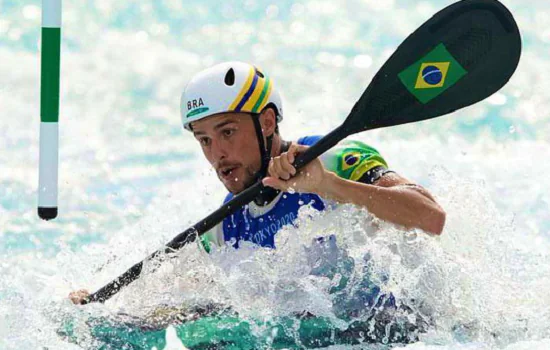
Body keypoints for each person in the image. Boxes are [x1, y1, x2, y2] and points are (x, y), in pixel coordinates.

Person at [69, 61, 445, 305]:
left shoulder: (331, 159)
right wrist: (103, 317)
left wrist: (330, 186)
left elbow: (431, 217)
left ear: (266, 123)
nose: (216, 153)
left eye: (227, 132)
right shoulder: (226, 227)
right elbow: (185, 306)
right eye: (204, 140)